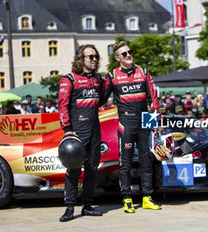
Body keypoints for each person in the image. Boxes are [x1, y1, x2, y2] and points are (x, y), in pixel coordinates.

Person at [102, 41, 161, 213]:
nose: (129, 55)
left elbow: (153, 99)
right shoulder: (112, 76)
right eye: (124, 54)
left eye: (130, 52)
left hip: (144, 121)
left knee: (146, 161)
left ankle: (147, 198)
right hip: (126, 125)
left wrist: (155, 123)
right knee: (125, 163)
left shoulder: (143, 72)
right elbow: (101, 98)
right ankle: (126, 199)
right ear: (117, 58)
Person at [58, 44, 105, 222]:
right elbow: (62, 107)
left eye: (96, 56)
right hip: (77, 132)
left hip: (95, 131)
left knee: (92, 169)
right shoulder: (68, 79)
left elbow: (100, 100)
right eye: (90, 57)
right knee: (73, 169)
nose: (94, 59)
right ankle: (70, 207)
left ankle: (87, 206)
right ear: (81, 59)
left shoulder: (98, 79)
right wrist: (68, 130)